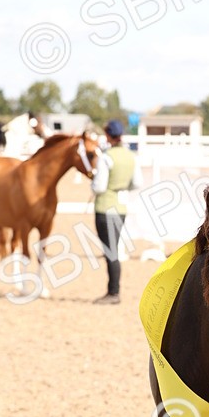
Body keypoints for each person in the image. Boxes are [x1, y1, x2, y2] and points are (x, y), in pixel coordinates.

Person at [90, 118, 142, 304]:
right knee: (113, 248)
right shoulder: (131, 156)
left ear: (108, 135)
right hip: (120, 208)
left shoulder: (106, 157)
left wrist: (93, 181)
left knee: (110, 251)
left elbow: (99, 186)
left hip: (105, 207)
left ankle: (113, 292)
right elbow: (137, 183)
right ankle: (113, 290)